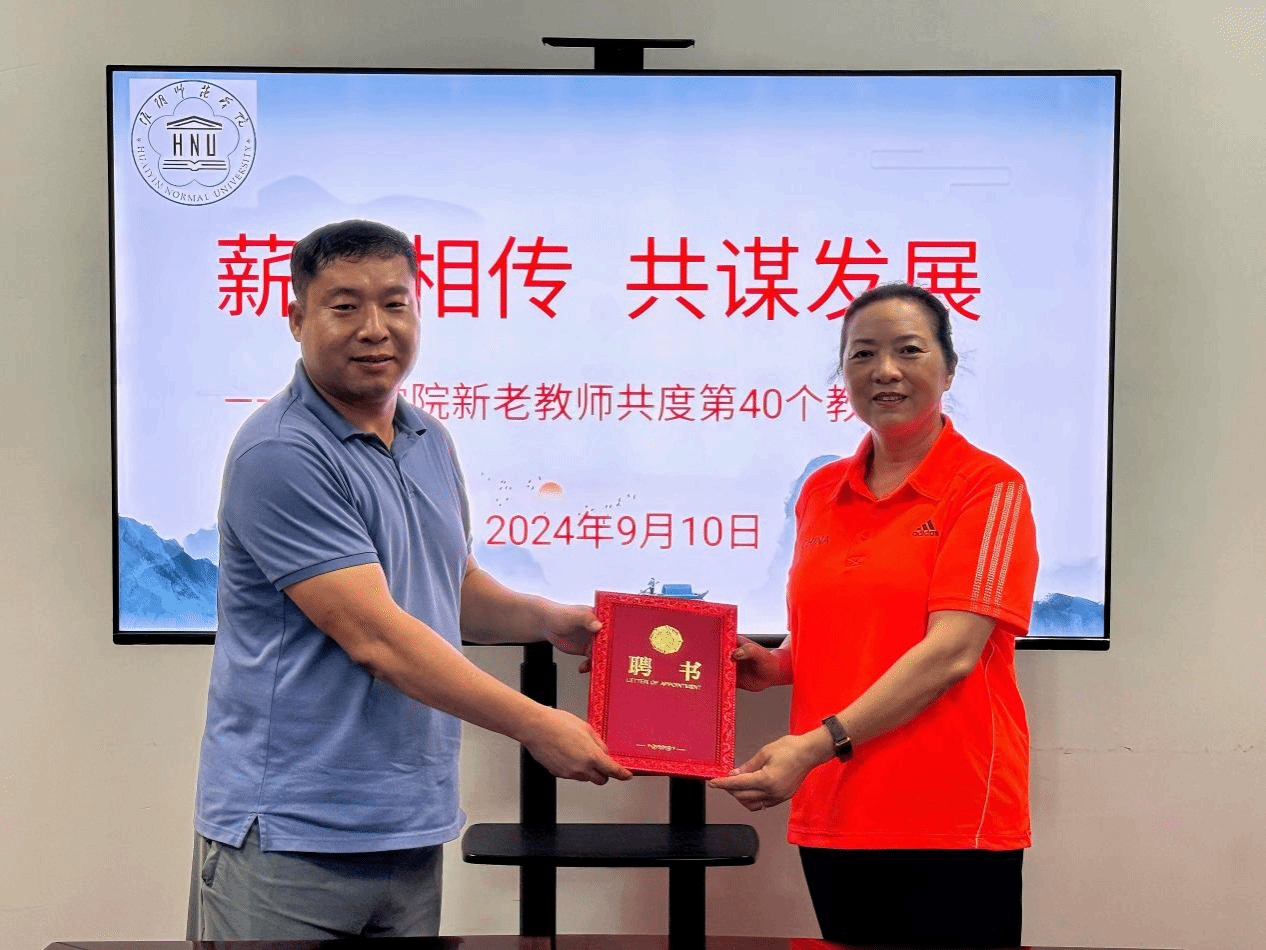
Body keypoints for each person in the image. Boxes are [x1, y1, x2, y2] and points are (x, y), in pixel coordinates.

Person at [187, 219, 631, 942]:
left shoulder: (428, 439)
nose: (375, 328)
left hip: (409, 826)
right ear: (296, 319)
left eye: (395, 303)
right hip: (291, 835)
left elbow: (453, 590)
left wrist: (549, 620)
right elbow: (377, 638)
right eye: (344, 306)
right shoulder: (281, 450)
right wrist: (534, 723)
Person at [711, 282, 1039, 948]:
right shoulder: (820, 491)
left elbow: (951, 653)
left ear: (949, 368)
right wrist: (774, 665)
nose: (884, 370)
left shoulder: (988, 488)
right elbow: (846, 632)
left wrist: (815, 744)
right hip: (836, 807)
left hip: (948, 816)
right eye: (862, 354)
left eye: (908, 350)